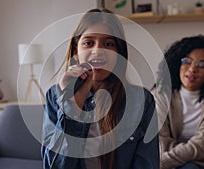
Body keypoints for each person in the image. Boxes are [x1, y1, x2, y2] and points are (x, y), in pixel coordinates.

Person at [41, 8, 159, 169]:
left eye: (109, 44)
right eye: (88, 43)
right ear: (76, 51)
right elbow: (53, 166)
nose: (98, 51)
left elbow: (147, 165)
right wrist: (71, 107)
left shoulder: (142, 100)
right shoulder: (55, 96)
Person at [152, 35, 204, 169]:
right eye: (187, 61)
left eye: (201, 65)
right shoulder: (160, 95)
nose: (192, 69)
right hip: (196, 158)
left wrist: (163, 163)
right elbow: (159, 141)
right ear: (177, 64)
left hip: (168, 160)